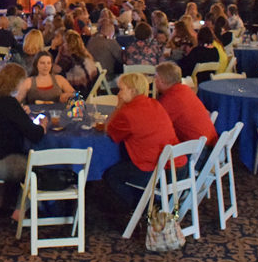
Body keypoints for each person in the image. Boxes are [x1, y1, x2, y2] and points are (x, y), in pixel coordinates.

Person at [103, 73, 184, 211]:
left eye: (122, 89)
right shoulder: (155, 104)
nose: (119, 94)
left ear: (132, 91)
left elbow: (110, 131)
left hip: (156, 171)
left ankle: (142, 208)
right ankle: (151, 202)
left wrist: (119, 106)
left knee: (111, 175)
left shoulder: (127, 113)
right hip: (178, 166)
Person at [155, 62, 217, 148]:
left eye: (155, 78)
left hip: (198, 151)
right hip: (210, 143)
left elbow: (155, 126)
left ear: (161, 80)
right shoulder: (185, 90)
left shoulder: (169, 99)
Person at [55, 30, 98, 95]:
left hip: (77, 94)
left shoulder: (68, 59)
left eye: (63, 42)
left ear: (67, 44)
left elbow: (54, 70)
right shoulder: (87, 56)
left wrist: (59, 52)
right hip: (90, 92)